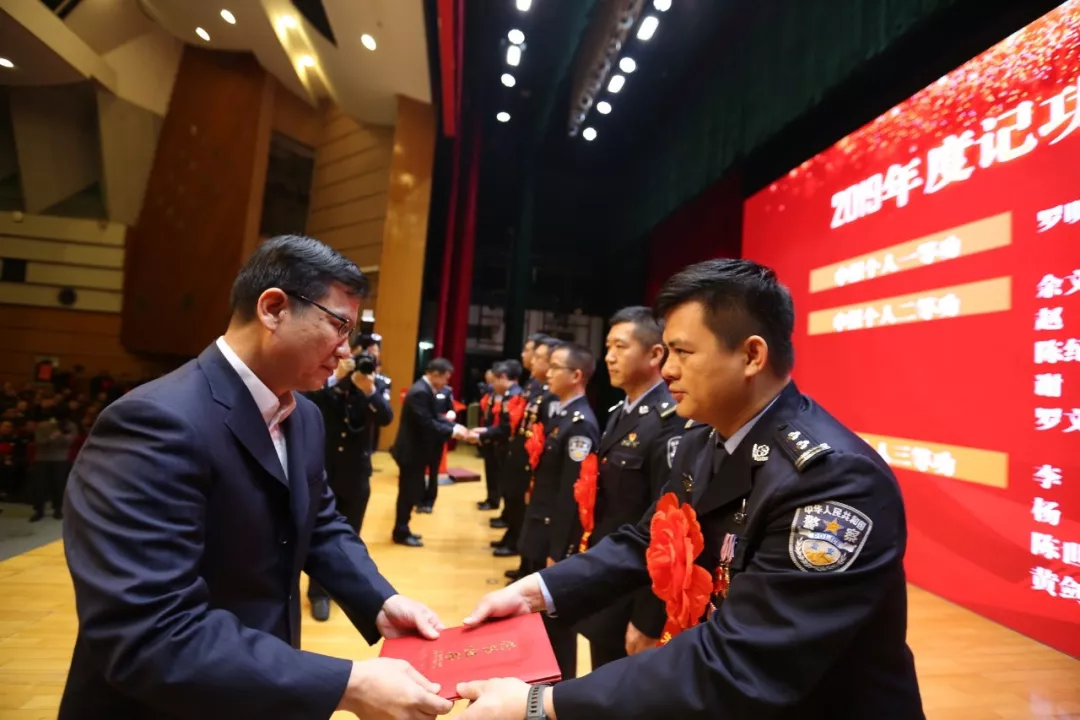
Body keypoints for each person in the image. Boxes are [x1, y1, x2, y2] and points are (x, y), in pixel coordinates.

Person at [456, 259, 924, 720]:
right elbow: (647, 540)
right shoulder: (703, 436)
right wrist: (534, 592)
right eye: (666, 352)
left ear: (751, 356)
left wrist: (542, 705)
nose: (667, 371)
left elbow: (743, 661)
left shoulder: (832, 481)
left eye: (683, 352)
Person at [59, 235, 454, 720]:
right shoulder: (153, 422)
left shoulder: (304, 416)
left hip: (262, 682)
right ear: (273, 309)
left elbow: (319, 524)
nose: (345, 350)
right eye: (339, 326)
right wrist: (346, 684)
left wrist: (380, 600)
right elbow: (150, 630)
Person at [574, 306, 684, 670]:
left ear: (655, 354)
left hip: (635, 594)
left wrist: (649, 615)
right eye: (608, 347)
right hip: (608, 578)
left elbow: (667, 526)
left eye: (620, 347)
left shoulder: (669, 422)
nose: (609, 356)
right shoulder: (620, 412)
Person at [517, 342, 600, 682]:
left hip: (554, 532)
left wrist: (559, 549)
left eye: (555, 367)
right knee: (540, 620)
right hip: (541, 523)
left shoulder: (580, 424)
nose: (547, 373)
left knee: (556, 623)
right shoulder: (562, 415)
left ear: (576, 375)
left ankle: (559, 687)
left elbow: (571, 494)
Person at [306, 334, 394, 621]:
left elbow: (386, 417)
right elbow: (309, 404)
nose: (369, 359)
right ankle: (318, 593)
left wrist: (369, 391)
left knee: (351, 533)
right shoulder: (325, 378)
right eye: (362, 354)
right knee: (320, 532)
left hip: (357, 471)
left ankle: (344, 591)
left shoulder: (379, 383)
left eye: (373, 354)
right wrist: (337, 380)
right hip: (326, 468)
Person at [391, 358, 469, 546]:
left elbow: (435, 418)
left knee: (411, 492)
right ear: (435, 374)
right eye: (445, 378)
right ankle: (400, 531)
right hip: (411, 452)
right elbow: (427, 422)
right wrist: (454, 432)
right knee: (408, 494)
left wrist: (455, 427)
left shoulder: (425, 389)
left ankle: (404, 528)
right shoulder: (420, 392)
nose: (446, 383)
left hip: (416, 451)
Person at [495, 338, 558, 564]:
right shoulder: (533, 387)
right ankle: (520, 553)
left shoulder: (551, 394)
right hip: (520, 452)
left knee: (526, 510)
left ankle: (524, 559)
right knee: (515, 501)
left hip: (530, 461)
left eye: (537, 355)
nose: (528, 357)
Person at [473, 361, 524, 511]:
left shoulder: (514, 395)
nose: (492, 385)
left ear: (503, 377)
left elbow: (506, 426)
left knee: (505, 478)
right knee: (492, 472)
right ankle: (493, 500)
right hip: (494, 438)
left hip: (505, 442)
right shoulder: (497, 394)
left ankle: (506, 513)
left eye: (494, 380)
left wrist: (484, 433)